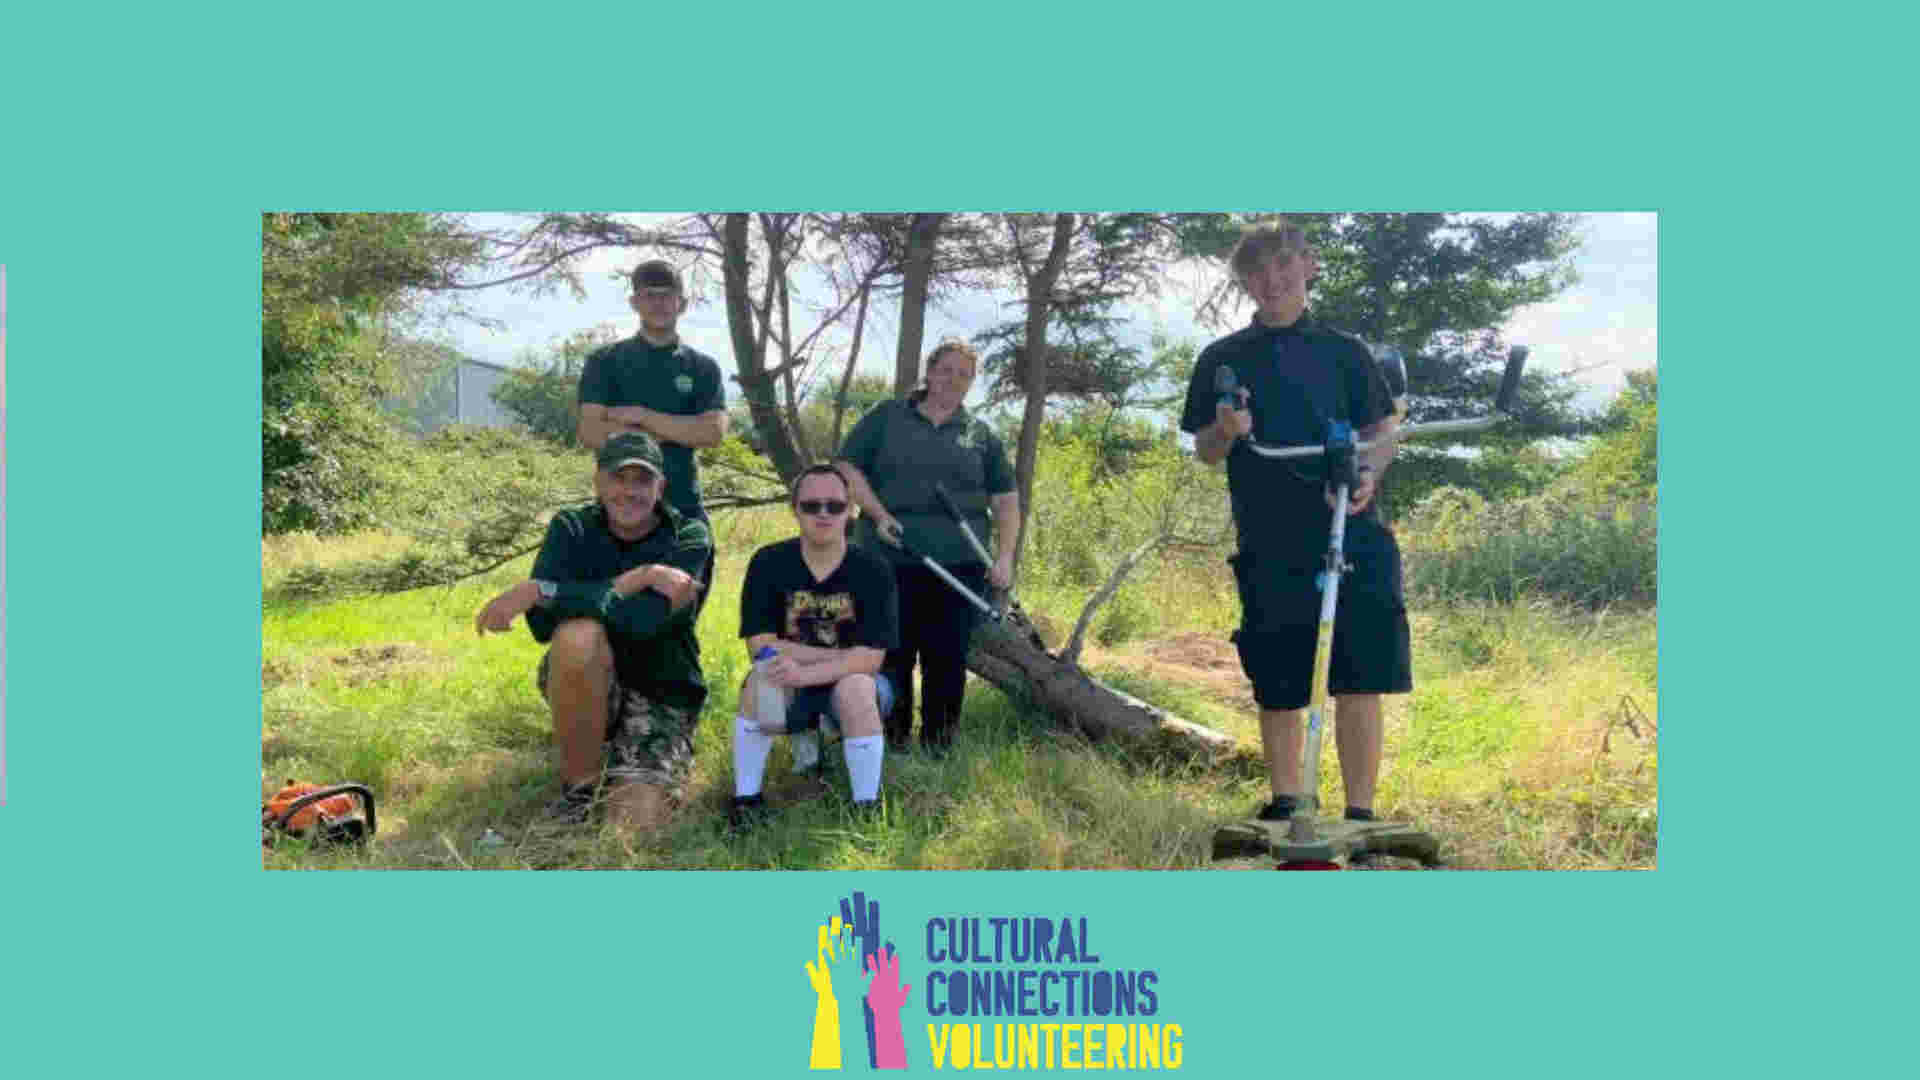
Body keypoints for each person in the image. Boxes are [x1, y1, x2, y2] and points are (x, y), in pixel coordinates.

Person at [1180, 220, 1408, 826]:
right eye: (1256, 270)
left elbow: (1383, 433)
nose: (1271, 279)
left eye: (1282, 264)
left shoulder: (1345, 352)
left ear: (1306, 266)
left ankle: (1360, 816)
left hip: (1349, 529)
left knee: (1360, 676)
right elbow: (1204, 450)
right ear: (1245, 282)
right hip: (1268, 538)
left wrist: (1369, 473)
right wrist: (1225, 433)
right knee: (1278, 676)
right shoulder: (1222, 360)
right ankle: (1288, 807)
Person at [474, 431, 711, 829]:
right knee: (577, 635)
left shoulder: (689, 537)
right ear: (598, 482)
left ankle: (635, 761)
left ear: (661, 487)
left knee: (630, 828)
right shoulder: (571, 528)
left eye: (643, 480)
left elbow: (644, 621)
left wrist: (543, 591)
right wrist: (638, 581)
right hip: (586, 679)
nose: (629, 491)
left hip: (663, 691)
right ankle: (578, 790)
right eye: (619, 478)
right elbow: (545, 625)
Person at [834, 340, 1020, 755]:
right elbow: (846, 467)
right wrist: (879, 516)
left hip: (959, 569)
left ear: (971, 383)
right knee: (892, 655)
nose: (953, 380)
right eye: (947, 370)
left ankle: (939, 748)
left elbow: (1005, 498)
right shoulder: (886, 417)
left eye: (964, 375)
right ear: (929, 371)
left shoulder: (980, 434)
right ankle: (892, 746)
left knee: (947, 661)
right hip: (888, 560)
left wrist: (1004, 557)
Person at [732, 464, 901, 825]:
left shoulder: (874, 568)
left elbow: (871, 661)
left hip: (861, 689)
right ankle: (746, 802)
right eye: (811, 506)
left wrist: (802, 668)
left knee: (856, 686)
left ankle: (865, 809)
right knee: (761, 681)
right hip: (788, 679)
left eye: (834, 506)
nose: (823, 514)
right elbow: (760, 645)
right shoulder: (768, 562)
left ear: (850, 510)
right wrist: (843, 656)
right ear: (794, 510)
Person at [575, 258, 728, 603]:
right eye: (649, 295)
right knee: (609, 614)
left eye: (667, 295)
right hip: (620, 512)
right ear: (635, 303)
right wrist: (678, 429)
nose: (658, 303)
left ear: (682, 303)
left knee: (678, 616)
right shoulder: (606, 361)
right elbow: (590, 431)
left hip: (683, 512)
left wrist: (641, 417)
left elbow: (713, 434)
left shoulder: (702, 367)